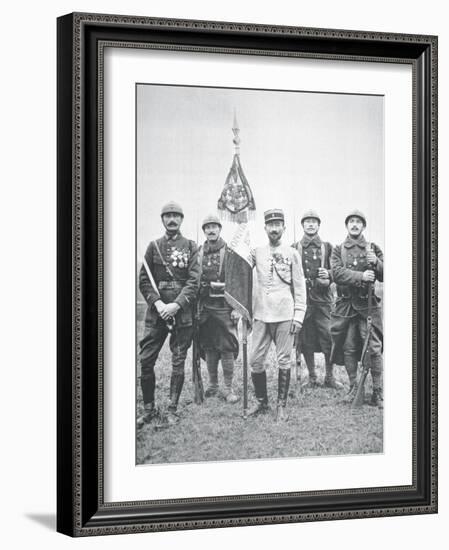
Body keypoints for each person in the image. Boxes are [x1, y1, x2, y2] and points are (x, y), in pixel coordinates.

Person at [137, 202, 200, 427]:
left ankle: (172, 408)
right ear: (162, 219)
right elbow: (144, 280)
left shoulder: (191, 246)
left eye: (176, 216)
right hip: (157, 315)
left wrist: (176, 305)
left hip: (181, 315)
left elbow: (194, 282)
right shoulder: (153, 247)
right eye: (168, 216)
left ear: (181, 219)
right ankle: (148, 409)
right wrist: (158, 304)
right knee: (145, 360)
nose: (172, 219)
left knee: (177, 361)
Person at [248, 209, 307, 421]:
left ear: (283, 227)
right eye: (270, 225)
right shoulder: (257, 252)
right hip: (262, 314)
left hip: (284, 313)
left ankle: (281, 405)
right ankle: (262, 402)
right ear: (265, 228)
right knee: (255, 360)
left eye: (278, 224)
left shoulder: (292, 254)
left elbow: (300, 287)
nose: (274, 228)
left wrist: (299, 315)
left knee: (284, 360)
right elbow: (240, 267)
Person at [330, 210, 384, 407]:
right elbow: (336, 273)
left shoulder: (373, 248)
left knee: (374, 349)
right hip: (345, 307)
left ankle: (377, 392)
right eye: (351, 221)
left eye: (358, 222)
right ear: (347, 226)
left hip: (367, 306)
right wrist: (361, 276)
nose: (354, 225)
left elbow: (386, 273)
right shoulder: (338, 250)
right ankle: (354, 387)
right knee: (349, 347)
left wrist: (376, 263)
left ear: (363, 226)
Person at [292, 210, 343, 390]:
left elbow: (339, 271)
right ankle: (312, 376)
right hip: (303, 302)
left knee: (329, 337)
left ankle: (329, 376)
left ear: (319, 225)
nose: (311, 224)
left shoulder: (328, 247)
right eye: (307, 222)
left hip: (323, 301)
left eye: (314, 222)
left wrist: (328, 274)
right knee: (305, 339)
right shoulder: (294, 247)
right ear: (303, 225)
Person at [198, 215, 240, 404]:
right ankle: (213, 385)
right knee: (208, 345)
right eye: (207, 227)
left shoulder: (229, 252)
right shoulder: (198, 252)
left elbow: (236, 281)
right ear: (204, 231)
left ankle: (227, 388)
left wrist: (235, 307)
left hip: (224, 307)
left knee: (227, 346)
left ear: (220, 229)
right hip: (205, 307)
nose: (211, 230)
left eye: (214, 226)